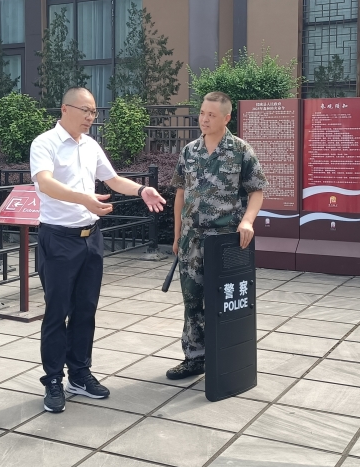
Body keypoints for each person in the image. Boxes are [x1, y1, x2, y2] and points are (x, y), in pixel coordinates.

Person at [30, 87, 166, 413]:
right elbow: (44, 183)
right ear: (65, 109)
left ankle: (79, 373)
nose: (91, 117)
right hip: (59, 239)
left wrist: (142, 190)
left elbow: (113, 179)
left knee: (86, 309)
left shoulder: (90, 145)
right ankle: (53, 380)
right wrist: (84, 199)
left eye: (94, 112)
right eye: (85, 110)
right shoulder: (45, 143)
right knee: (57, 312)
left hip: (91, 238)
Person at [166, 91, 267, 380]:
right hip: (191, 240)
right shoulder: (190, 151)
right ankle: (194, 357)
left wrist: (247, 222)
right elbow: (181, 194)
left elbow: (257, 191)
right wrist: (177, 235)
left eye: (211, 114)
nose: (204, 119)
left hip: (224, 241)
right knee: (192, 300)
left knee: (226, 301)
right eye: (202, 113)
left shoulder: (241, 150)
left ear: (226, 118)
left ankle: (227, 357)